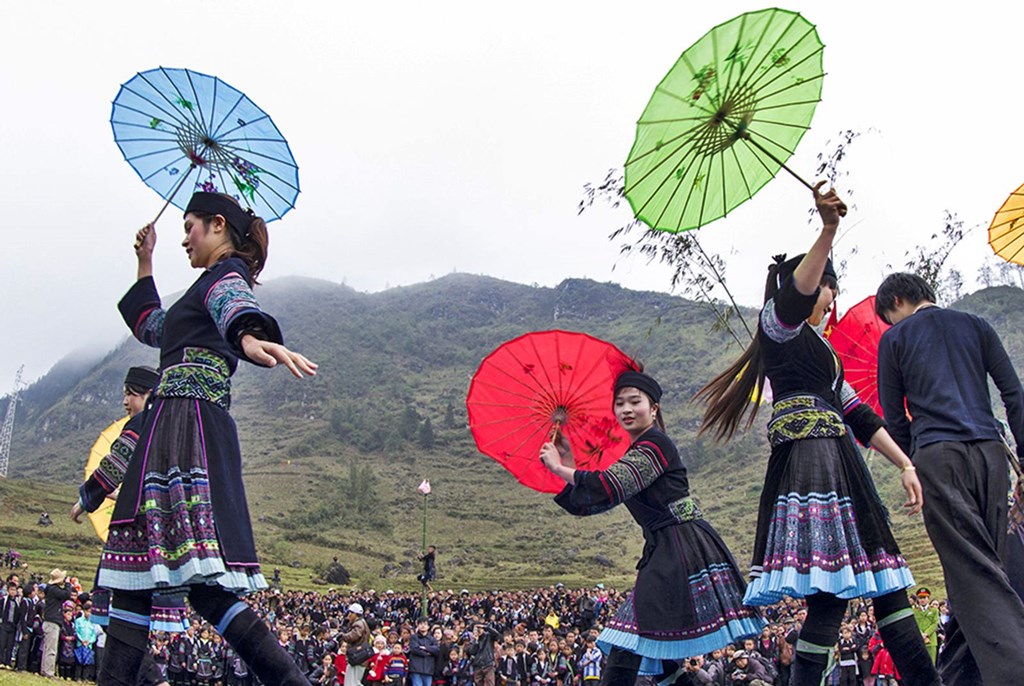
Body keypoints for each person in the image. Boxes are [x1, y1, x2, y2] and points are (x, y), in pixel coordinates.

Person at [697, 184, 939, 686]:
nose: (831, 299)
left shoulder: (824, 358)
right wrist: (827, 230)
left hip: (844, 469)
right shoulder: (778, 328)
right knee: (831, 598)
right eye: (829, 288)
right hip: (811, 466)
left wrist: (906, 464)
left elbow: (861, 417)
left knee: (881, 593)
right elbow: (795, 297)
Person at [95, 192, 317, 686]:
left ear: (218, 226)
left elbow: (233, 304)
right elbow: (154, 327)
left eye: (189, 226)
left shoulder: (222, 277)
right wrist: (145, 260)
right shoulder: (198, 291)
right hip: (171, 428)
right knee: (143, 577)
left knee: (194, 583)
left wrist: (250, 336)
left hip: (186, 431)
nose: (183, 237)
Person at [541, 369, 763, 686]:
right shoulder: (637, 451)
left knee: (627, 643)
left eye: (635, 401)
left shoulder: (655, 445)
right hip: (667, 549)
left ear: (654, 408)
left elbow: (612, 484)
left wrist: (561, 468)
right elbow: (595, 500)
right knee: (660, 651)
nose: (627, 409)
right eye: (620, 404)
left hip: (680, 549)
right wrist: (568, 462)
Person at [874, 270, 1024, 685]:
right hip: (991, 455)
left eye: (890, 316)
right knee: (981, 567)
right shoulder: (977, 325)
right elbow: (1013, 392)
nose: (891, 324)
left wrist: (910, 465)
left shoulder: (895, 340)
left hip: (939, 459)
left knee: (974, 573)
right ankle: (959, 676)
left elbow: (892, 416)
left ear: (898, 301)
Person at [41, 569, 72, 677]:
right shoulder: (54, 590)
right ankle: (49, 672)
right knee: (51, 649)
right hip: (52, 622)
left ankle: (45, 669)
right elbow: (67, 594)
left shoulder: (50, 589)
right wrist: (68, 584)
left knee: (47, 647)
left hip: (49, 621)